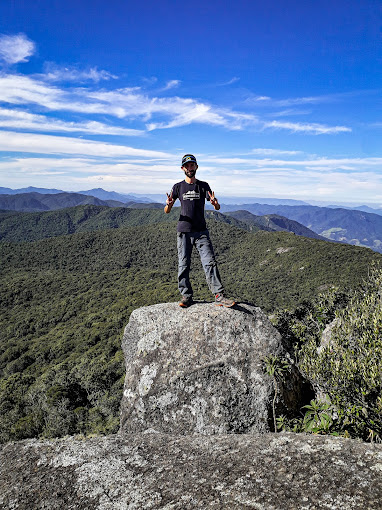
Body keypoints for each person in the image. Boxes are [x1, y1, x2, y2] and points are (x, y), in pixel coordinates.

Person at [164, 154, 235, 308]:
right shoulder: (177, 187)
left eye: (192, 165)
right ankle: (186, 296)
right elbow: (166, 211)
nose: (190, 168)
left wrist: (216, 204)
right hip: (184, 231)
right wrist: (169, 204)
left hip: (201, 232)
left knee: (210, 262)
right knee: (183, 264)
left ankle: (219, 295)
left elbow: (216, 206)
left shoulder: (203, 186)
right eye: (187, 166)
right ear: (182, 168)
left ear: (196, 167)